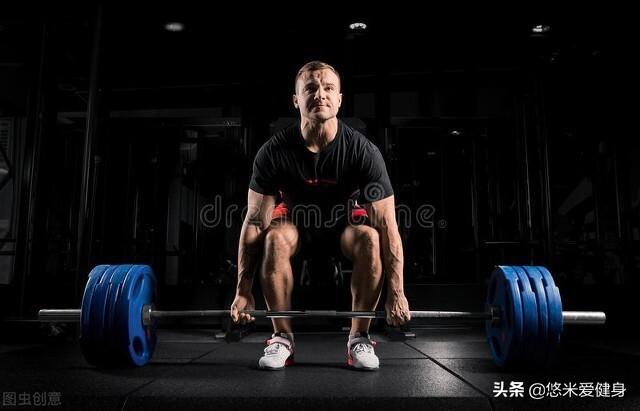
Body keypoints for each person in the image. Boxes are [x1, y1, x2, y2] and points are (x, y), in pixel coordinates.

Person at [230, 61, 410, 371]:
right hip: (296, 224)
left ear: (339, 99)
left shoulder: (363, 151)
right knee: (274, 238)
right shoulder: (273, 152)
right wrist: (242, 291)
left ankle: (359, 338)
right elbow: (256, 221)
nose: (320, 95)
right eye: (310, 88)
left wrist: (397, 292)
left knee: (371, 237)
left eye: (328, 88)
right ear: (296, 99)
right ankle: (282, 338)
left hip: (345, 226)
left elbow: (387, 225)